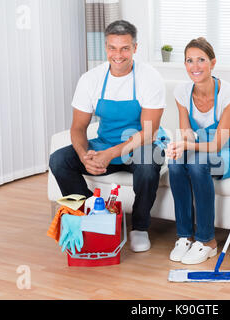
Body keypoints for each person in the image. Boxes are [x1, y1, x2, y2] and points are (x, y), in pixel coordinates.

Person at [49, 20, 167, 253]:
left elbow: (149, 131)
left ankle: (140, 227)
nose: (118, 54)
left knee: (147, 163)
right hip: (104, 144)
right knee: (59, 160)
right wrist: (84, 156)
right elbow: (78, 128)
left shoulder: (149, 77)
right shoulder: (91, 79)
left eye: (125, 48)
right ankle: (91, 216)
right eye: (112, 47)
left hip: (141, 144)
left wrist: (109, 154)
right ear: (105, 48)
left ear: (135, 47)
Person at [166, 38, 230, 265]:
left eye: (201, 60)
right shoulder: (182, 92)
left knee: (199, 165)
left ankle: (207, 241)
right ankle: (184, 236)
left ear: (212, 63)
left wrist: (187, 146)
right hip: (204, 149)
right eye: (189, 61)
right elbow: (187, 133)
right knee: (175, 163)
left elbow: (218, 145)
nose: (195, 66)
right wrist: (180, 148)